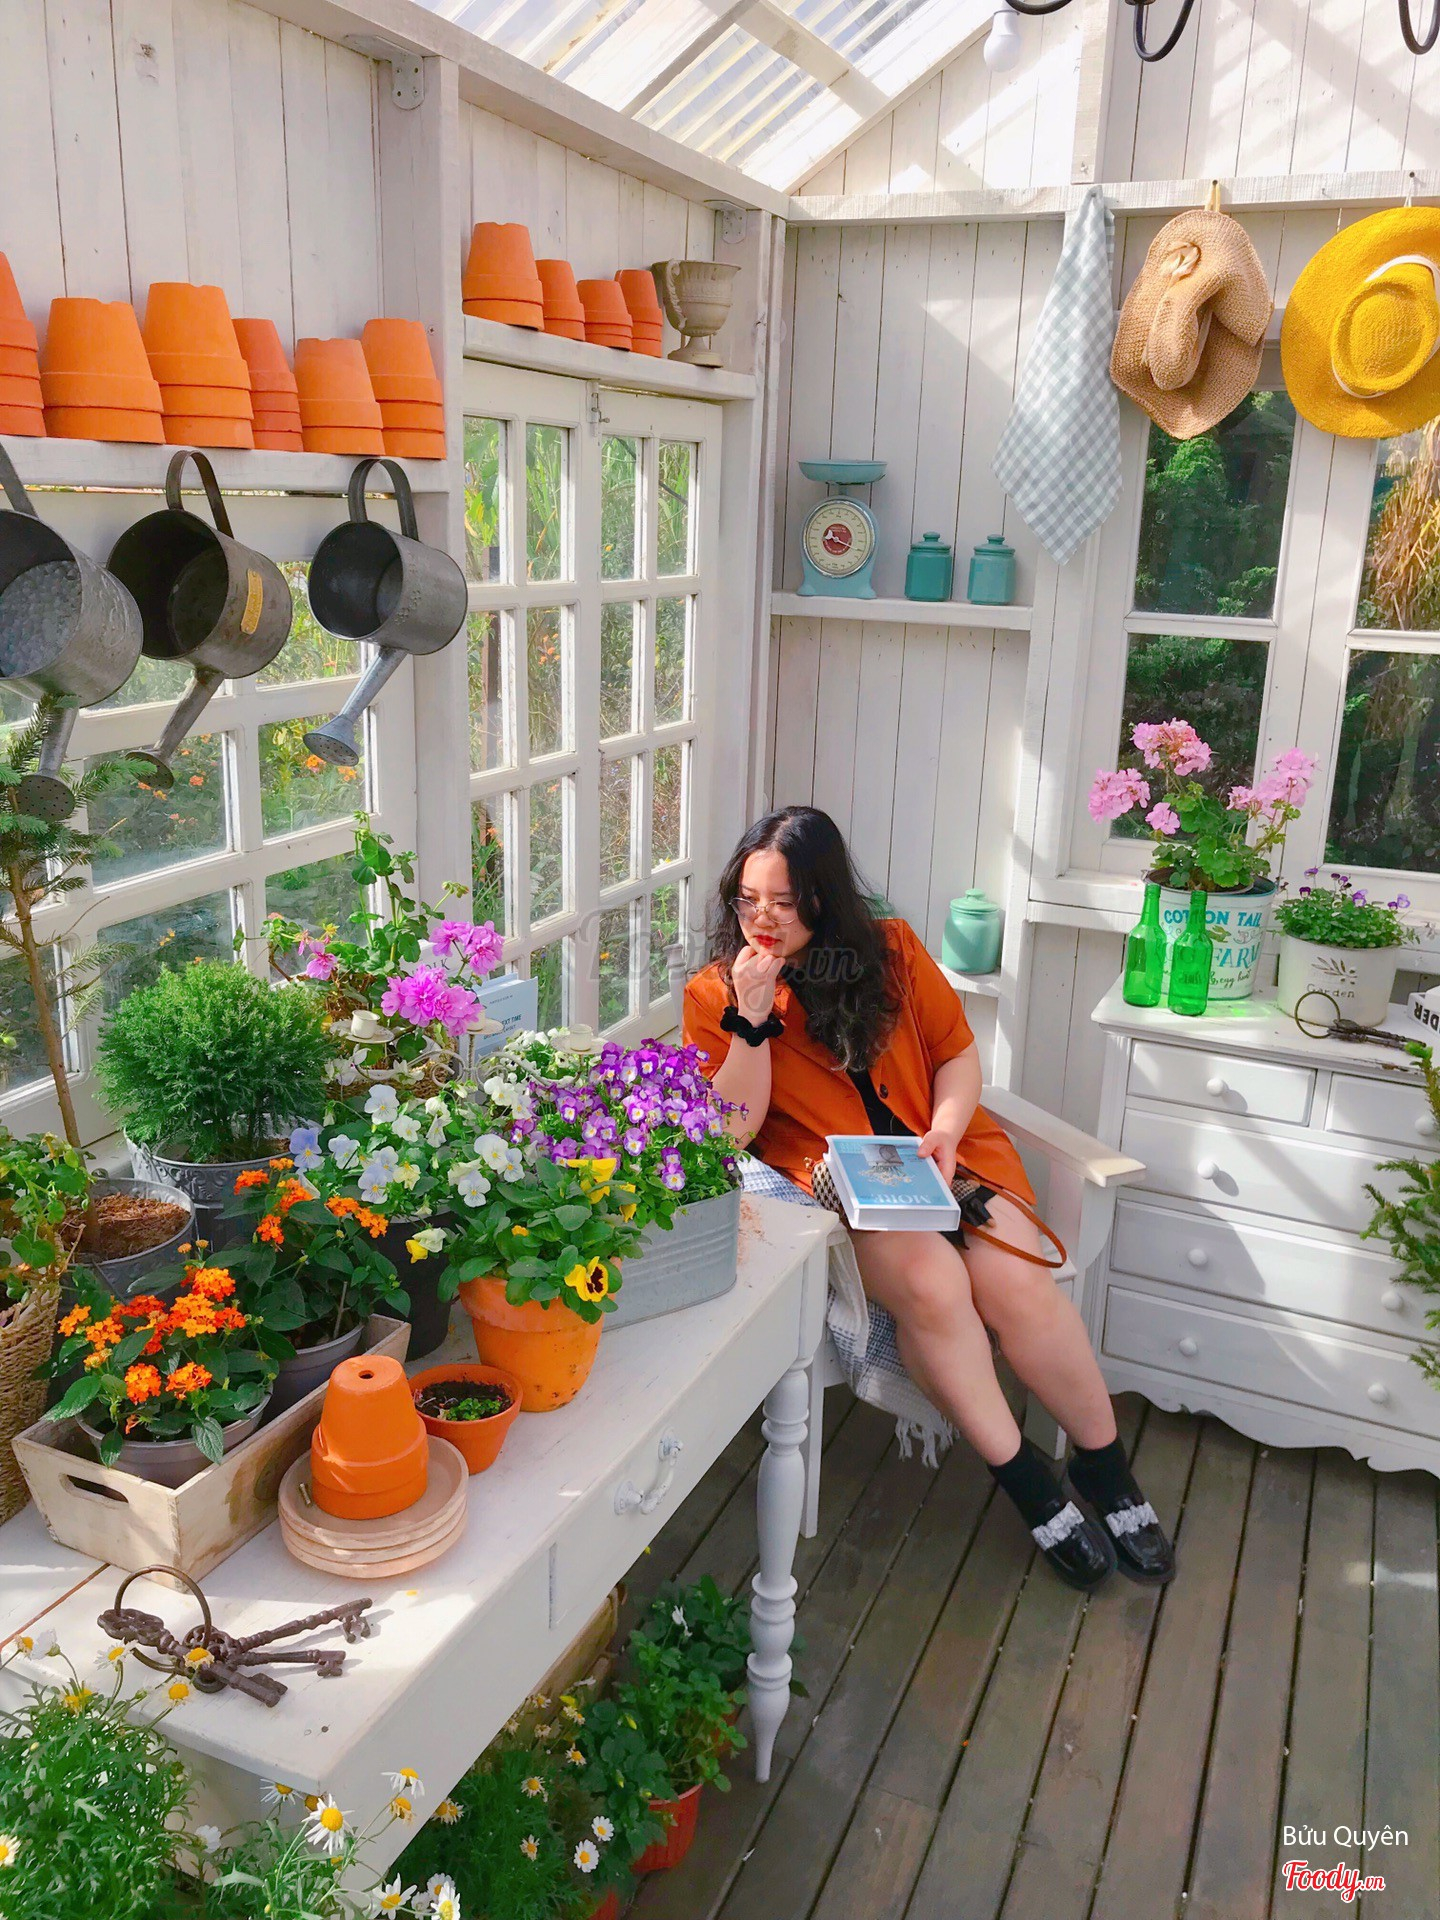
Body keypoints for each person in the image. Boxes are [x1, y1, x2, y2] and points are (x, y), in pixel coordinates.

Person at [683, 805, 1174, 1591]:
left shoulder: (894, 952)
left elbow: (957, 1057)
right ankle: (1028, 1482)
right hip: (849, 1190)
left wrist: (944, 1131)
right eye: (748, 901)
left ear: (823, 897)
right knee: (934, 1286)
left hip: (953, 1157)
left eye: (784, 900)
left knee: (1018, 1285)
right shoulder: (715, 992)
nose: (762, 919)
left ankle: (1103, 1463)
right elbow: (731, 1131)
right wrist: (750, 1019)